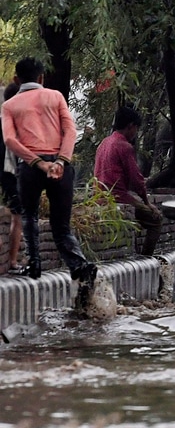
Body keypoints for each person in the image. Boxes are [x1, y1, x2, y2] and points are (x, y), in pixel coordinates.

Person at [0, 57, 95, 284]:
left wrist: (39, 164)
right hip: (60, 164)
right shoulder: (56, 96)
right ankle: (79, 264)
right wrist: (60, 162)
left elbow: (10, 140)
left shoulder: (9, 105)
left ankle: (34, 264)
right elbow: (71, 131)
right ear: (42, 78)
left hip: (31, 167)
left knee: (29, 214)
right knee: (62, 226)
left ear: (16, 79)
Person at [93, 105, 163, 256]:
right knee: (156, 220)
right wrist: (147, 203)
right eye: (136, 128)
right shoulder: (124, 146)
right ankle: (147, 258)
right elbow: (137, 180)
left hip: (99, 196)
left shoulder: (103, 143)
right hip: (118, 198)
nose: (136, 133)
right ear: (131, 126)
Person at [0, 79, 25, 274]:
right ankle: (13, 261)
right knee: (17, 215)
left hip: (6, 172)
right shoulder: (15, 123)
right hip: (8, 173)